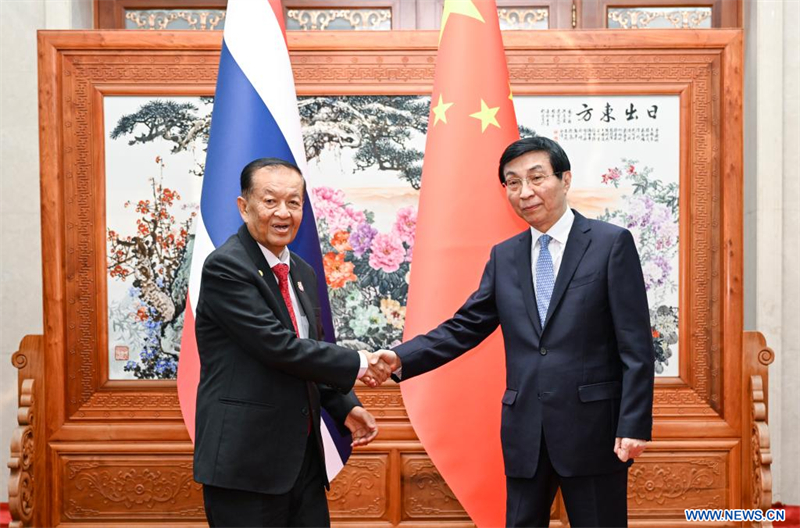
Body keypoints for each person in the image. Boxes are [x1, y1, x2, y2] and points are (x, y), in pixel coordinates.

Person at [375, 136, 655, 527]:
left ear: (565, 179)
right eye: (513, 182)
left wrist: (634, 424)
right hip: (526, 431)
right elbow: (465, 326)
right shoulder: (505, 256)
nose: (526, 192)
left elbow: (636, 346)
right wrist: (400, 358)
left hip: (594, 430)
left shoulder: (609, 245)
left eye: (537, 178)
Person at [193, 157, 391, 527]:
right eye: (270, 201)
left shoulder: (300, 271)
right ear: (244, 206)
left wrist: (343, 405)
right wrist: (362, 363)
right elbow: (278, 347)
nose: (283, 212)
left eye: (294, 202)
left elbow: (308, 351)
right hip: (246, 464)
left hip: (301, 461)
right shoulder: (226, 267)